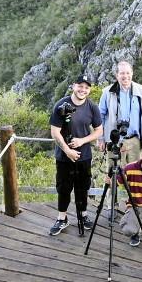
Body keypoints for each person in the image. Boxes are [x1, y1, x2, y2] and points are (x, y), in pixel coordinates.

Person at [48, 74, 103, 236]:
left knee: (82, 187)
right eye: (80, 86)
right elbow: (55, 132)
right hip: (64, 157)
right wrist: (67, 150)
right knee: (64, 188)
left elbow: (99, 130)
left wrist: (82, 141)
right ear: (73, 86)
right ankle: (62, 218)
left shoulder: (92, 107)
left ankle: (83, 215)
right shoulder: (62, 105)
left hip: (84, 155)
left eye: (86, 87)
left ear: (89, 90)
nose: (83, 90)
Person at [98, 61, 142, 163]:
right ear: (117, 75)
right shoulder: (107, 92)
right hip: (114, 141)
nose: (125, 76)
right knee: (114, 175)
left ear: (132, 73)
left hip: (135, 141)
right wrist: (100, 138)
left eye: (128, 73)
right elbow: (99, 117)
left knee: (135, 175)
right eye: (122, 73)